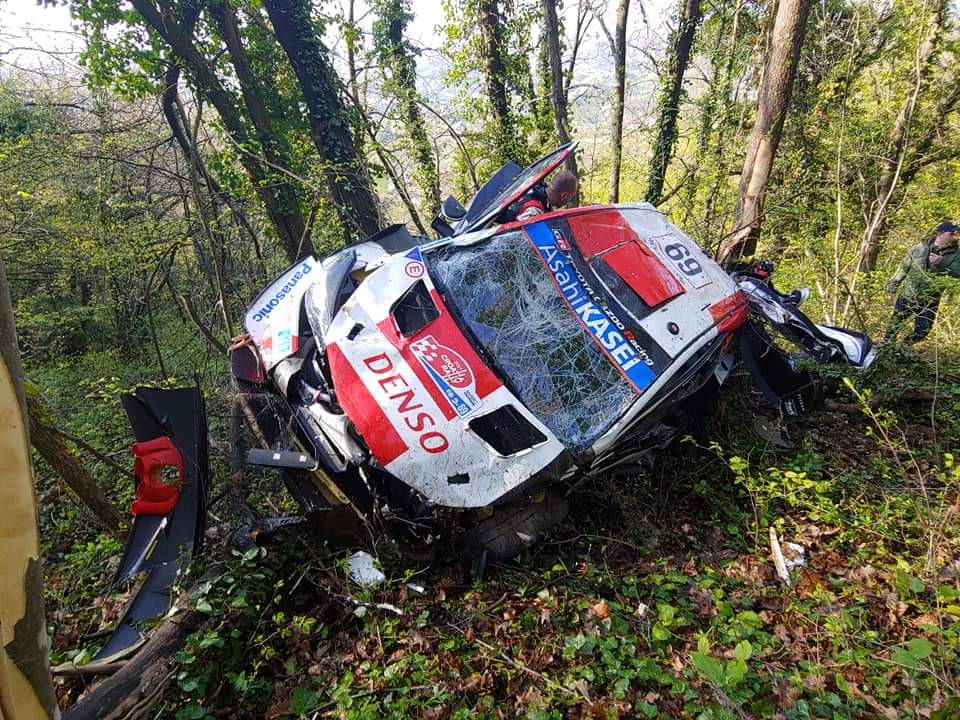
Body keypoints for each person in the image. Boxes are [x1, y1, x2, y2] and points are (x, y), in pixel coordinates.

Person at [884, 221, 960, 343]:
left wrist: (941, 263)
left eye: (956, 234)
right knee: (894, 325)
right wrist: (892, 285)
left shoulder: (956, 254)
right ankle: (886, 346)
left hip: (931, 299)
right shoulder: (920, 247)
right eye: (951, 234)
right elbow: (904, 266)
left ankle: (903, 346)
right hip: (909, 294)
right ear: (940, 234)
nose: (955, 237)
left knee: (923, 331)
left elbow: (958, 273)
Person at [498, 169, 578, 223]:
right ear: (564, 196)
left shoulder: (533, 184)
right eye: (570, 198)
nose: (569, 201)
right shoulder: (534, 212)